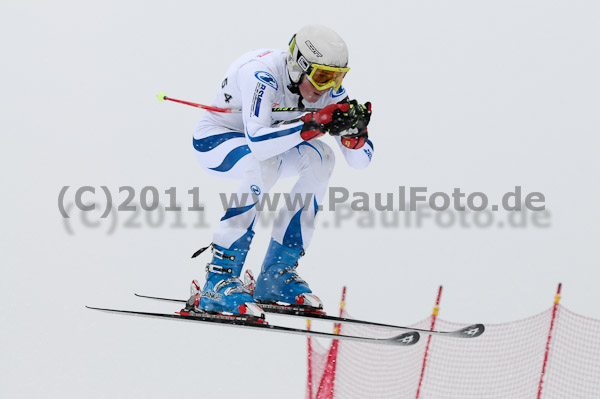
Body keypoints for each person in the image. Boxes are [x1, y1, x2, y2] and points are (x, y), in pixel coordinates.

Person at [189, 24, 374, 318]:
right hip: (216, 142)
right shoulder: (261, 73)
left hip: (268, 148)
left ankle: (276, 273)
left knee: (323, 158)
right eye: (322, 77)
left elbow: (360, 162)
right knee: (264, 162)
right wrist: (311, 124)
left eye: (336, 78)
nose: (326, 88)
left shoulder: (328, 90)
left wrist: (355, 136)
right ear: (297, 65)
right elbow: (260, 144)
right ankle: (218, 278)